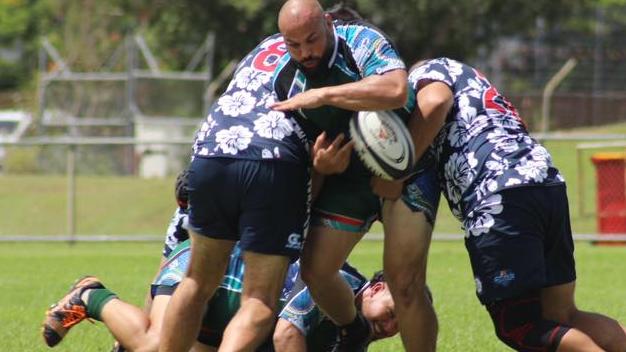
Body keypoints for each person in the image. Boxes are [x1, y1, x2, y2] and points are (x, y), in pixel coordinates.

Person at [401, 57, 626, 351]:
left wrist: (400, 168)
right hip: (545, 182)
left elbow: (436, 100)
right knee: (561, 315)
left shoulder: (427, 72)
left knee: (519, 326)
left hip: (500, 194)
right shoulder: (477, 83)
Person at [271, 1, 439, 350]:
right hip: (348, 180)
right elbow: (306, 163)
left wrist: (324, 95)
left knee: (404, 282)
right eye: (294, 45)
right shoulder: (286, 82)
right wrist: (321, 168)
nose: (305, 52)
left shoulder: (361, 41)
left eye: (312, 40)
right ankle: (353, 331)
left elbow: (395, 91)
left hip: (405, 166)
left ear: (329, 24)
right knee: (315, 271)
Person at [158, 31, 311, 351]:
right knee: (259, 298)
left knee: (196, 282)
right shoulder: (332, 55)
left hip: (212, 149)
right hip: (272, 158)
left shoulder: (264, 45)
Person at [41, 239, 400, 352]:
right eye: (393, 311)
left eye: (399, 324)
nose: (391, 325)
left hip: (230, 312)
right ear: (378, 288)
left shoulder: (354, 331)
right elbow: (286, 334)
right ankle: (92, 296)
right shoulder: (337, 283)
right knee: (155, 346)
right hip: (211, 271)